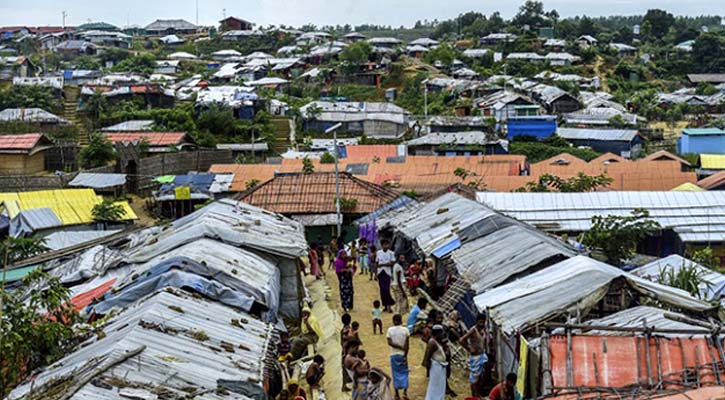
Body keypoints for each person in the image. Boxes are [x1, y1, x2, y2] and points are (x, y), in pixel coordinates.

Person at [460, 314, 490, 397]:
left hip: (482, 355)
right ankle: (474, 396)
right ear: (476, 321)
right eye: (480, 322)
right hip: (475, 357)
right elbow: (462, 340)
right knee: (474, 380)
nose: (481, 324)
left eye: (483, 322)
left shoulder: (483, 330)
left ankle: (478, 394)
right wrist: (469, 349)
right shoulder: (473, 330)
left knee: (481, 377)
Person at [386, 314, 409, 400]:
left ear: (393, 321)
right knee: (405, 372)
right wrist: (405, 355)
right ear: (401, 320)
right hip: (403, 354)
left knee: (395, 373)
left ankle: (397, 394)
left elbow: (389, 343)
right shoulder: (405, 330)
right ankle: (405, 393)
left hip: (394, 354)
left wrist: (399, 347)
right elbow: (407, 345)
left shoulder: (390, 330)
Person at [423, 325, 449, 400]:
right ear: (438, 333)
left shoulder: (437, 341)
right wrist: (429, 370)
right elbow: (427, 358)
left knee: (439, 386)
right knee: (435, 386)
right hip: (436, 367)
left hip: (440, 367)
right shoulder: (432, 342)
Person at [377, 240, 396, 312]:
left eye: (387, 244)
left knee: (386, 289)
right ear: (382, 245)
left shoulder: (391, 253)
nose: (386, 246)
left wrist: (383, 265)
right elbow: (377, 263)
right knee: (382, 290)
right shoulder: (379, 253)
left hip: (387, 273)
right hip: (380, 273)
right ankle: (385, 305)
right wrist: (376, 274)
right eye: (384, 245)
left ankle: (389, 306)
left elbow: (393, 263)